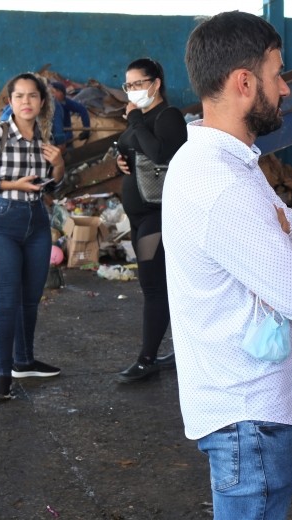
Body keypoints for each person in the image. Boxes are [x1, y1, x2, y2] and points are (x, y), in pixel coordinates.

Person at [162, 12, 292, 519]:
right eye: (278, 74)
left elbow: (284, 228)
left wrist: (285, 227)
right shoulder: (223, 182)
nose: (286, 88)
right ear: (245, 83)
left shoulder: (220, 163)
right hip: (246, 419)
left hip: (241, 415)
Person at [0, 72, 66, 400]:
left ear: (42, 101)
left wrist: (59, 166)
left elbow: (55, 185)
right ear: (10, 102)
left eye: (32, 96)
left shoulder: (44, 137)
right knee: (7, 300)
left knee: (30, 299)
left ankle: (24, 360)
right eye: (19, 96)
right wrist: (12, 185)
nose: (26, 102)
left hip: (36, 221)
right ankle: (2, 375)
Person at [114, 58, 187, 383]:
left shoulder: (168, 116)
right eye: (128, 85)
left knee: (154, 285)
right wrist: (122, 161)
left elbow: (161, 155)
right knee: (159, 284)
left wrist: (135, 122)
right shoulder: (139, 118)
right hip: (138, 214)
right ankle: (181, 350)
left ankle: (147, 360)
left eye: (138, 84)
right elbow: (137, 153)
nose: (132, 91)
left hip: (158, 214)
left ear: (156, 84)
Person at [49, 81, 91, 146]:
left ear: (62, 93)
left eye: (55, 91)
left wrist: (86, 129)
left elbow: (82, 110)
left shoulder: (66, 102)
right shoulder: (48, 104)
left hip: (65, 136)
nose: (52, 94)